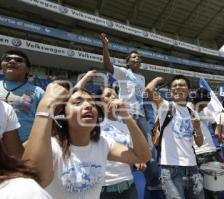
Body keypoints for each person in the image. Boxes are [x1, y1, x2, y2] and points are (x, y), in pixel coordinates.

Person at [22, 77, 151, 199]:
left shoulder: (103, 144)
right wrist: (46, 106)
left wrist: (126, 116)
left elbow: (143, 156)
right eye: (78, 102)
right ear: (63, 114)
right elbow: (33, 180)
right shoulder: (51, 146)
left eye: (91, 103)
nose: (88, 106)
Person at [100, 33, 161, 191]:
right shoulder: (123, 72)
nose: (136, 59)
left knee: (149, 148)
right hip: (126, 115)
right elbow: (107, 66)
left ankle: (153, 182)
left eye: (138, 57)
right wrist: (105, 48)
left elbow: (142, 97)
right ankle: (126, 180)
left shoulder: (141, 78)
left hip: (140, 116)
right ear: (128, 61)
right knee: (126, 145)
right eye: (133, 57)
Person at [75, 70, 145, 199]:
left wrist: (137, 162)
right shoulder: (93, 124)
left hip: (128, 186)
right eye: (108, 95)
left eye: (115, 95)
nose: (113, 97)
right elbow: (72, 97)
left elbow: (135, 152)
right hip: (104, 190)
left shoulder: (125, 124)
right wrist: (85, 78)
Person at [145, 75, 205, 199]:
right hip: (171, 168)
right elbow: (149, 90)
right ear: (170, 91)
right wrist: (157, 79)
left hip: (192, 167)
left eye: (181, 85)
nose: (177, 87)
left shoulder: (192, 113)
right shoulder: (166, 106)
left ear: (189, 90)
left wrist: (197, 128)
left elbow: (199, 143)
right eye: (174, 86)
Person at [0, 50, 44, 142]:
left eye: (19, 60)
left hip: (23, 146)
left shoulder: (38, 91)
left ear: (28, 69)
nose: (12, 61)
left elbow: (44, 122)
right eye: (7, 59)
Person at [189, 88, 221, 165]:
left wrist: (217, 133)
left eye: (206, 105)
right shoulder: (186, 110)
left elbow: (214, 123)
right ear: (195, 101)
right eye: (202, 106)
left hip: (212, 149)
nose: (204, 108)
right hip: (199, 152)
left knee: (221, 175)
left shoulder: (205, 110)